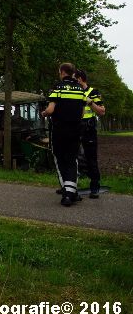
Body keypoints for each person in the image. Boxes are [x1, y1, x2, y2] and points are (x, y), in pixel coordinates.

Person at [41, 62, 86, 206]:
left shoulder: (57, 87)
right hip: (75, 130)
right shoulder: (80, 89)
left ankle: (67, 194)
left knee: (60, 160)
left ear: (62, 72)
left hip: (59, 131)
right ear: (73, 73)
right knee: (72, 160)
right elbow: (83, 112)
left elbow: (50, 110)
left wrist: (44, 113)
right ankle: (71, 193)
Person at [75, 69, 106, 198]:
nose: (73, 81)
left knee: (90, 158)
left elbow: (101, 111)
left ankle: (95, 187)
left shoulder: (94, 92)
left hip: (88, 128)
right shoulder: (74, 92)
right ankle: (70, 187)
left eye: (74, 79)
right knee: (72, 158)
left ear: (80, 79)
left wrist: (90, 102)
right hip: (75, 128)